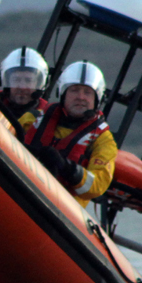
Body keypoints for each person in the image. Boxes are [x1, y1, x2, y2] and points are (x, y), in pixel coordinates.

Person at [24, 60, 117, 208]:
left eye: (87, 92)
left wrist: (67, 167)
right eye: (74, 90)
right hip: (22, 187)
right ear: (62, 93)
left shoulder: (103, 140)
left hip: (61, 208)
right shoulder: (35, 118)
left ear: (97, 98)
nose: (80, 97)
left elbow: (98, 185)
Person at [0, 46, 49, 132]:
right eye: (16, 80)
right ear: (7, 81)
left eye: (28, 80)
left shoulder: (47, 116)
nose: (22, 87)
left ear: (39, 83)